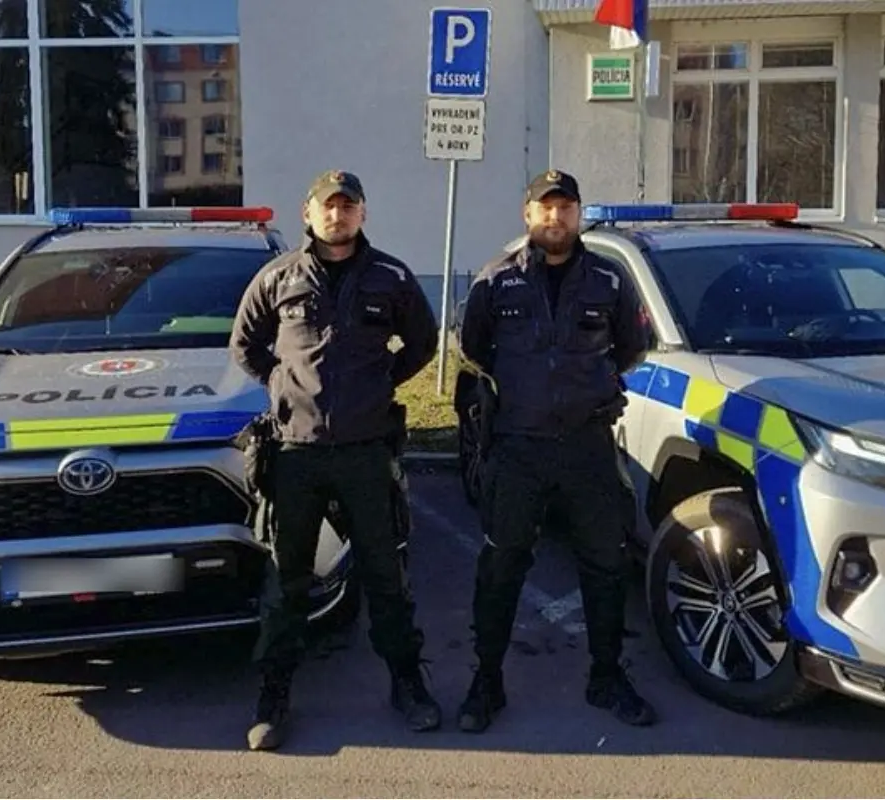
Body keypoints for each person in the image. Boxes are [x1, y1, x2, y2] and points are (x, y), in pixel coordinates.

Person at [229, 169, 442, 751]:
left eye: (348, 206)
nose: (338, 215)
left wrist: (382, 383)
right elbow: (244, 344)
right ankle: (274, 694)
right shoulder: (278, 277)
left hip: (366, 453)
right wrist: (281, 382)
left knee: (386, 576)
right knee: (287, 581)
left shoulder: (391, 277)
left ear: (362, 215)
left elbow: (423, 342)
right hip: (295, 454)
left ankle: (407, 683)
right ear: (309, 213)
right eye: (328, 206)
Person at [454, 169, 656, 732]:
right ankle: (486, 681)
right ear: (527, 215)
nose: (555, 217)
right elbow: (474, 349)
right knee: (501, 566)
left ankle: (607, 676)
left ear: (579, 214)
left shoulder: (609, 280)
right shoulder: (495, 282)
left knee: (606, 564)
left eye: (565, 207)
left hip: (587, 446)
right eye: (545, 207)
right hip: (519, 448)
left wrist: (588, 387)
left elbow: (631, 347)